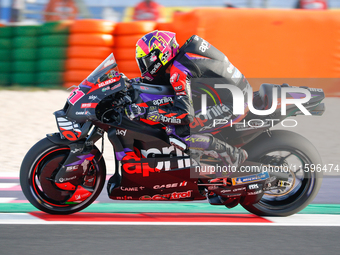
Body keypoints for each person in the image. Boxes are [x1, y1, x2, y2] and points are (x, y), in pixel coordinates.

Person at [124, 30, 248, 168]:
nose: (145, 67)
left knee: (181, 131)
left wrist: (146, 111)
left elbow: (185, 116)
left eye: (147, 61)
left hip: (235, 103)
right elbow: (165, 82)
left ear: (161, 55)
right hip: (228, 93)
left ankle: (233, 155)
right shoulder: (186, 54)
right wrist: (132, 83)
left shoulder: (180, 70)